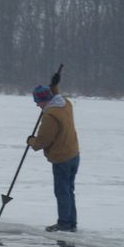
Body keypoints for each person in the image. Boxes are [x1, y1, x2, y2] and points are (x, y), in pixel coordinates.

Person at [27, 80, 80, 232]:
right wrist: (54, 86)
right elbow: (57, 94)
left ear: (44, 100)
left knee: (62, 191)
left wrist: (31, 141)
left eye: (38, 102)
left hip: (62, 157)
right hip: (74, 154)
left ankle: (64, 224)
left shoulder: (50, 116)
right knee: (69, 190)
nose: (37, 105)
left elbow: (42, 141)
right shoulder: (65, 104)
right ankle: (71, 222)